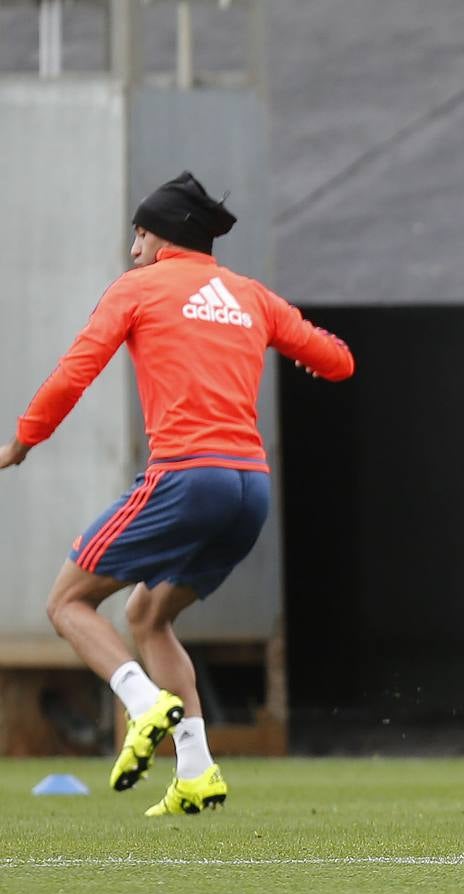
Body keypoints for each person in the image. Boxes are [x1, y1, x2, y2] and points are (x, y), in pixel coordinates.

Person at [0, 171, 355, 816]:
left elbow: (75, 371)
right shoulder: (249, 296)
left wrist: (23, 441)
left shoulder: (138, 289)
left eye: (139, 231)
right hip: (249, 491)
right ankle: (194, 768)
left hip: (187, 478)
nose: (131, 244)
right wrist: (300, 352)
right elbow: (338, 360)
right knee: (147, 616)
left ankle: (142, 701)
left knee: (67, 602)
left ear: (162, 236)